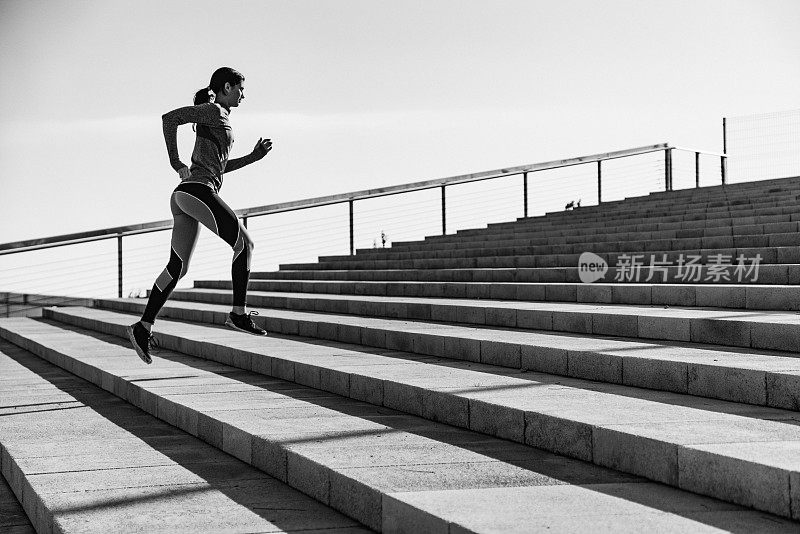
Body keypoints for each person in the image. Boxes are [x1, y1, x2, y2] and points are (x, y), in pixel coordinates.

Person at [127, 67, 271, 364]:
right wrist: (175, 161)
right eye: (241, 89)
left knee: (178, 268)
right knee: (245, 245)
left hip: (184, 196)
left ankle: (143, 326)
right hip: (196, 191)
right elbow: (170, 119)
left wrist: (253, 158)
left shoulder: (219, 118)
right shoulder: (214, 111)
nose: (244, 95)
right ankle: (239, 314)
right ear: (227, 87)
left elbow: (220, 168)